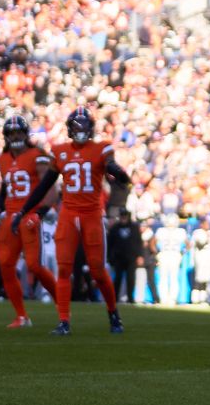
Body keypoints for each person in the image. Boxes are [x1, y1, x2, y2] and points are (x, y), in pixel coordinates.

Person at [13, 108, 132, 336]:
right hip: (68, 213)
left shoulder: (101, 147)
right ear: (69, 129)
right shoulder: (59, 151)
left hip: (92, 214)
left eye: (83, 126)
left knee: (97, 270)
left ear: (91, 128)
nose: (80, 131)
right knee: (64, 269)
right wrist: (25, 210)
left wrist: (118, 172)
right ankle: (64, 321)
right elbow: (45, 185)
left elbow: (110, 165)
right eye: (76, 127)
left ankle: (113, 313)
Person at [0, 117, 59, 327]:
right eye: (11, 133)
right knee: (5, 265)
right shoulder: (2, 158)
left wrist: (40, 213)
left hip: (29, 214)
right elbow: (6, 188)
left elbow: (51, 189)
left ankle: (62, 305)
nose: (15, 136)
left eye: (18, 132)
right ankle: (21, 316)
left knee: (34, 266)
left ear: (25, 133)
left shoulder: (37, 156)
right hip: (10, 216)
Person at [107, 209, 142, 304]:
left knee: (131, 279)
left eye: (125, 216)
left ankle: (130, 298)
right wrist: (110, 257)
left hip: (131, 258)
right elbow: (110, 244)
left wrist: (139, 255)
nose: (123, 218)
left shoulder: (134, 227)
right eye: (122, 216)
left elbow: (139, 242)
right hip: (118, 258)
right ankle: (115, 298)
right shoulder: (115, 228)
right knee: (117, 278)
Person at [155, 214, 188, 306]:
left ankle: (169, 299)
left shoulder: (178, 231)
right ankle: (165, 298)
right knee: (166, 277)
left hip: (172, 254)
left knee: (170, 278)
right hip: (168, 253)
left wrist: (182, 253)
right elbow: (153, 242)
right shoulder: (162, 231)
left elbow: (188, 244)